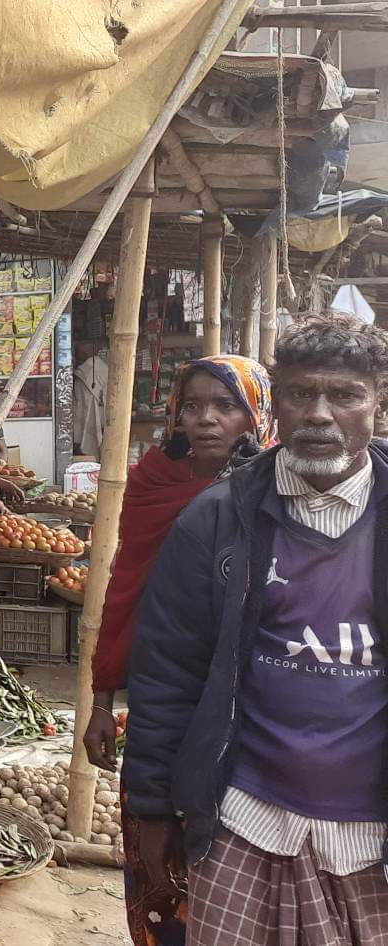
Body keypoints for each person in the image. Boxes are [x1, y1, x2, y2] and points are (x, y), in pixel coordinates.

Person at [126, 312, 388, 945]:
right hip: (243, 821)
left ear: (379, 405)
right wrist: (153, 808)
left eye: (346, 396)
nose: (321, 414)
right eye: (301, 394)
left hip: (372, 842)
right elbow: (167, 672)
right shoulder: (216, 520)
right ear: (278, 404)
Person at [76, 355, 272, 946]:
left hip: (250, 718)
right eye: (193, 406)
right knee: (161, 879)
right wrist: (101, 701)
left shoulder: (280, 495)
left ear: (257, 415)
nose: (206, 420)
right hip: (166, 707)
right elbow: (125, 587)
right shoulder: (155, 484)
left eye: (226, 406)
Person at [72, 339, 110, 457]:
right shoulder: (105, 367)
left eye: (77, 354)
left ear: (83, 354)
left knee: (88, 446)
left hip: (87, 415)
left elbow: (79, 400)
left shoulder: (83, 372)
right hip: (105, 414)